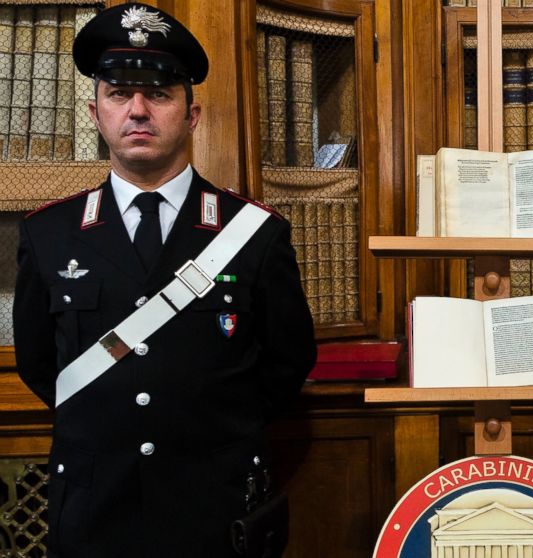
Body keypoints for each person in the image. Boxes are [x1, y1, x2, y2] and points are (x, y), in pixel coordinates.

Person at [13, 4, 316, 557]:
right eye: (118, 94)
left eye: (158, 94)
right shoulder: (48, 234)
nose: (137, 111)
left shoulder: (254, 233)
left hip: (213, 506)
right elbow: (39, 364)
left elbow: (286, 362)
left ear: (192, 114)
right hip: (92, 510)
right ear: (94, 112)